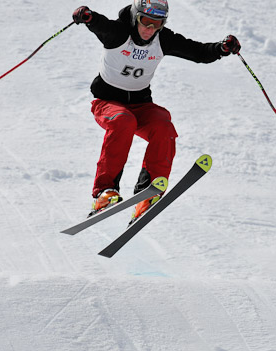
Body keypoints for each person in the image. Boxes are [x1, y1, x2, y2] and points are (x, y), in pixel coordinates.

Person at [73, 0, 240, 221]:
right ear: (135, 17)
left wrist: (221, 48)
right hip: (108, 103)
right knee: (123, 121)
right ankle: (104, 192)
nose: (149, 29)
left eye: (157, 24)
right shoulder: (119, 33)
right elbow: (100, 24)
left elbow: (198, 52)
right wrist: (88, 17)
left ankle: (147, 192)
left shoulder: (163, 39)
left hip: (141, 105)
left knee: (163, 123)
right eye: (145, 22)